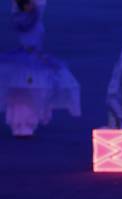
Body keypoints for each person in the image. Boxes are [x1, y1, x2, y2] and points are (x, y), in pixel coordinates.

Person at [0, 0, 80, 136]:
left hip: (31, 57)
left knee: (27, 90)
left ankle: (24, 124)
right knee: (26, 90)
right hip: (28, 58)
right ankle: (22, 124)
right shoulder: (28, 18)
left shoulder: (27, 16)